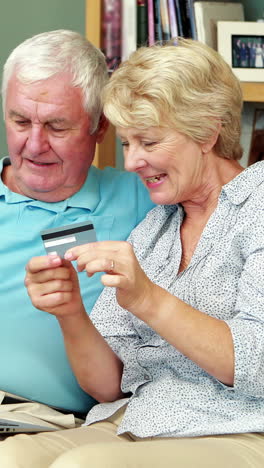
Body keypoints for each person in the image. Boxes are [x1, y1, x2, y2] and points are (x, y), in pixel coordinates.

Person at [6, 38, 264, 467]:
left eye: (148, 141)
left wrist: (148, 299)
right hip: (136, 419)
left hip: (235, 425)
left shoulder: (258, 205)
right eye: (127, 144)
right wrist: (70, 311)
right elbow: (109, 386)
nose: (131, 162)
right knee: (12, 456)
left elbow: (257, 365)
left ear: (207, 131)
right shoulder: (155, 227)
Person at [0, 29, 154, 418]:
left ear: (100, 126)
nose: (33, 146)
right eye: (20, 121)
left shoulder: (143, 199)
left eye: (56, 127)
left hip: (56, 422)